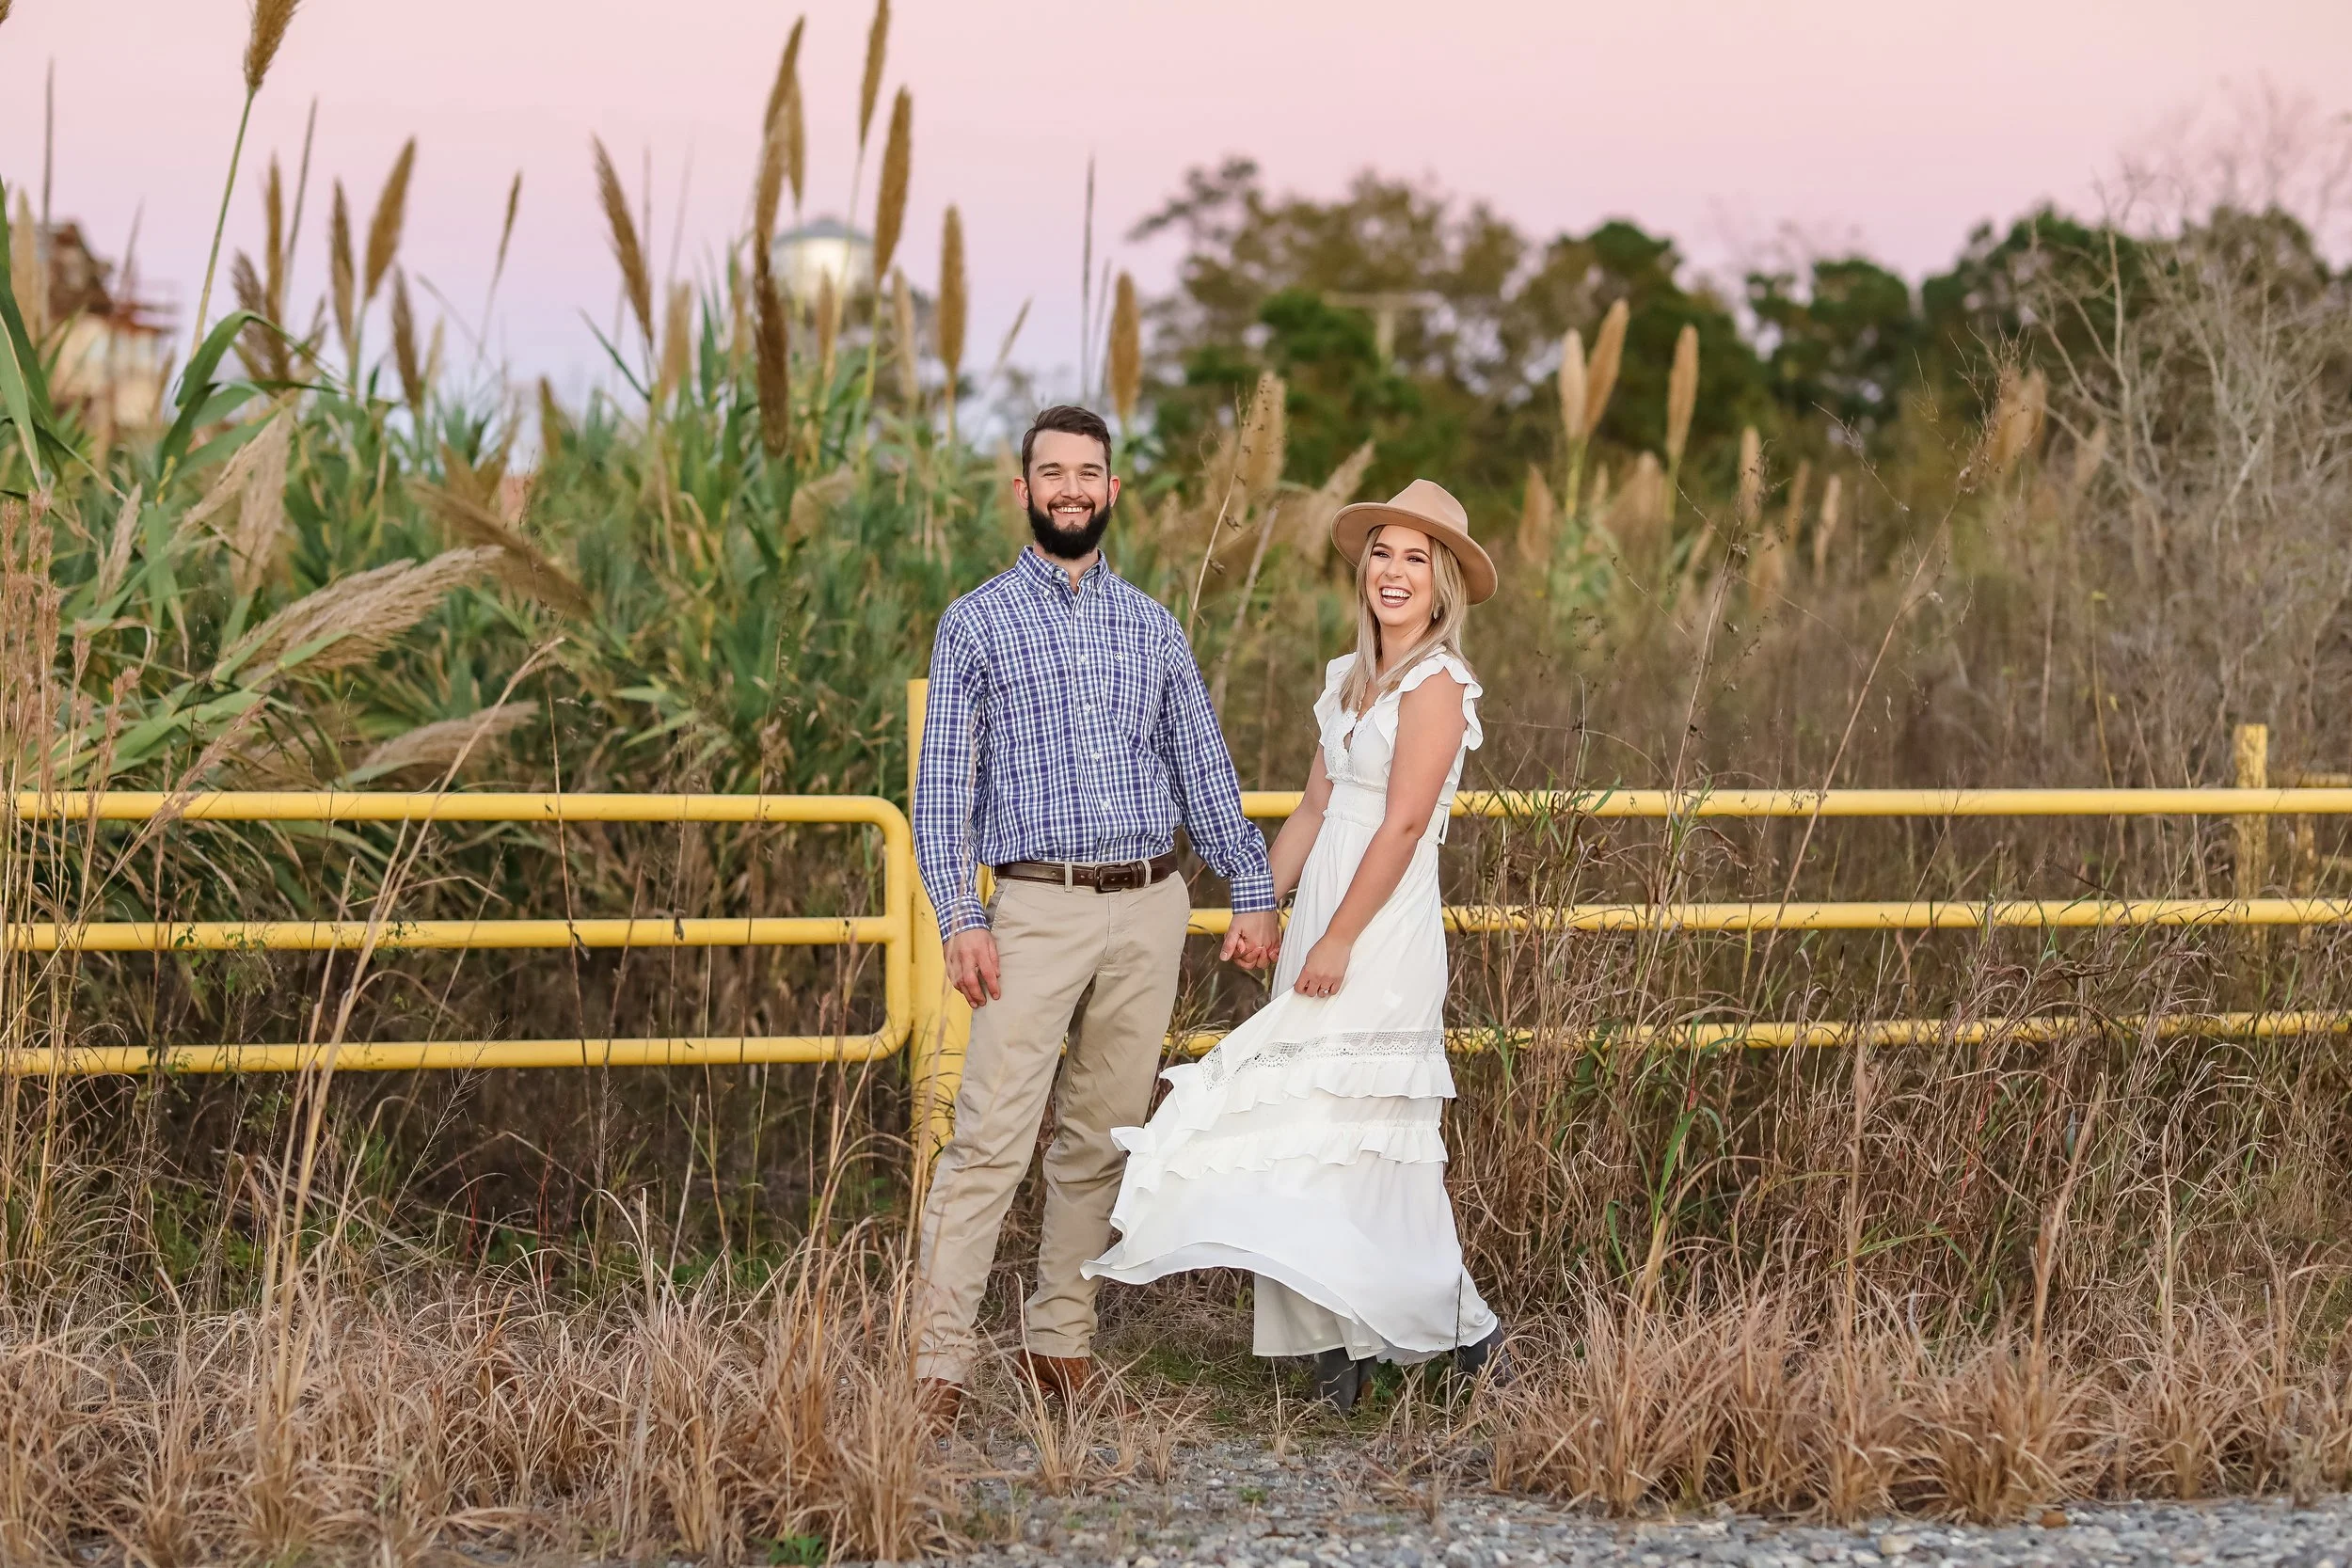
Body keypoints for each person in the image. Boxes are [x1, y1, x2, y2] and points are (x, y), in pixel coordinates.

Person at [1086, 479, 1506, 1412]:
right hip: (1323, 911)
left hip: (1381, 931)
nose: (1395, 572)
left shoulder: (1439, 687)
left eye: (1415, 560)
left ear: (1441, 589)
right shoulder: (1345, 681)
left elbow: (1399, 827)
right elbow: (1317, 807)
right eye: (1383, 553)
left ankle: (1466, 1333)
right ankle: (1339, 1350)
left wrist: (1340, 939)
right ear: (1365, 571)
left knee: (1358, 1132)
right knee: (1302, 1133)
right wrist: (1259, 902)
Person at [911, 404, 1282, 1423]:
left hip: (1151, 903)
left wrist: (1250, 886)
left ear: (1113, 490)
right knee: (989, 1133)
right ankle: (935, 1365)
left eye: (1088, 471)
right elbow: (942, 789)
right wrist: (959, 915)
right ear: (1022, 490)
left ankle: (1055, 1343)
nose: (1070, 487)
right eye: (1051, 471)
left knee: (1102, 1135)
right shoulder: (976, 621)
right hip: (1032, 907)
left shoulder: (1153, 626)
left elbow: (1203, 769)